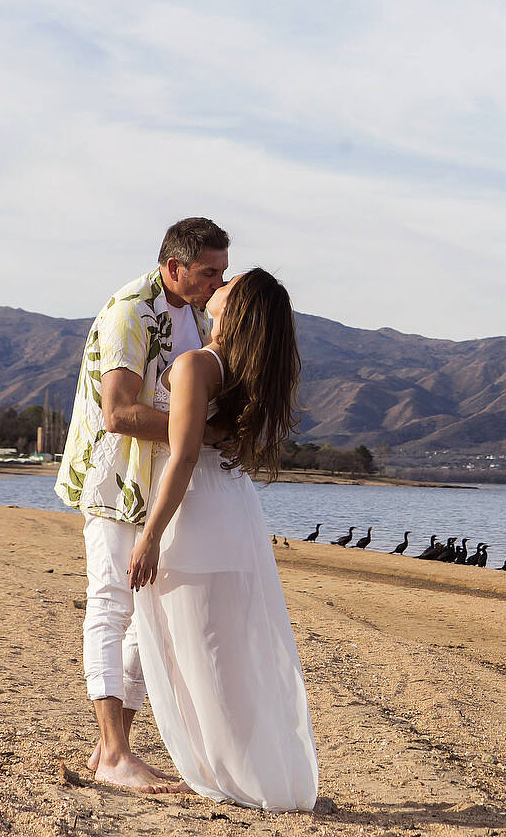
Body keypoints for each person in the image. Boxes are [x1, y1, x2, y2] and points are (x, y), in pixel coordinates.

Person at [127, 267, 319, 811]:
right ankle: (260, 771)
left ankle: (234, 776)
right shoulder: (248, 371)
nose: (220, 284)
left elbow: (183, 456)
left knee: (204, 650)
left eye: (230, 284)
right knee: (229, 646)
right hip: (235, 507)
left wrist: (150, 536)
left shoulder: (195, 366)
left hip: (197, 512)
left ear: (237, 310)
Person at [55, 217, 229, 793]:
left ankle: (115, 750)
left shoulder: (195, 314)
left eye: (221, 273)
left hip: (159, 484)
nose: (216, 283)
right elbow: (119, 414)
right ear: (174, 267)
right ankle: (111, 753)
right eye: (209, 272)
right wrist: (197, 436)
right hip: (115, 480)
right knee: (111, 603)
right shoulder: (132, 311)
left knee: (146, 616)